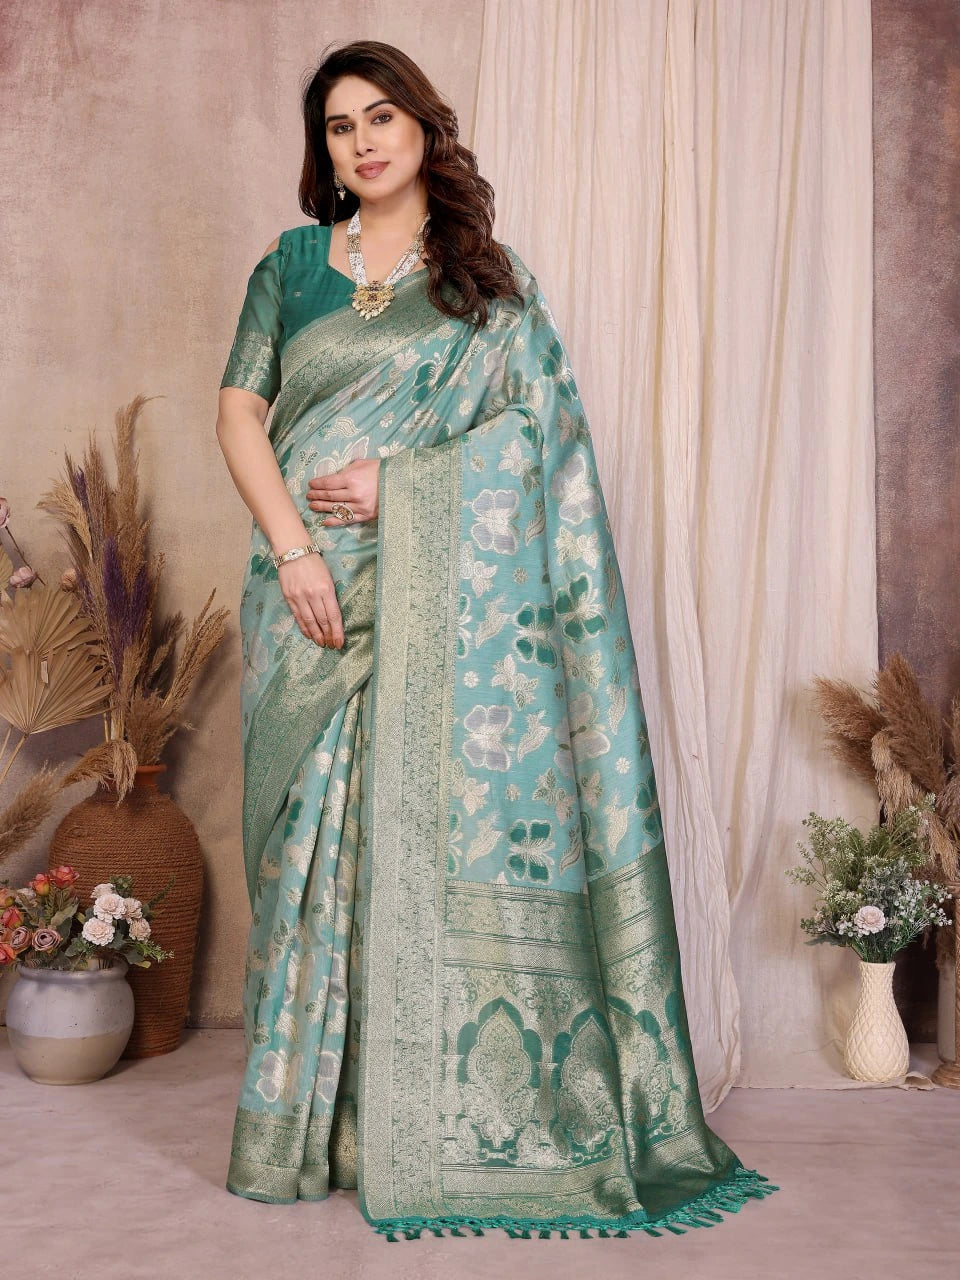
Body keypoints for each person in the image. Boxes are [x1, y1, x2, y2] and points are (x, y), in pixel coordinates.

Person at [215, 38, 778, 1242]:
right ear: (322, 151)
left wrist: (406, 485)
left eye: (381, 116)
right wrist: (296, 549)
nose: (362, 142)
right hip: (302, 599)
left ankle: (402, 1121)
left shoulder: (489, 284)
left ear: (424, 126)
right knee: (307, 849)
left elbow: (542, 446)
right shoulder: (291, 268)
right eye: (338, 127)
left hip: (428, 596)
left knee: (398, 837)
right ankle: (303, 1124)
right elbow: (238, 413)